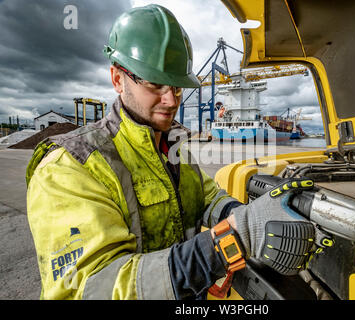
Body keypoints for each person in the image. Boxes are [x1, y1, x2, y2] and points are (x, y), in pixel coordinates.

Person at [26, 4, 317, 300]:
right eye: (155, 84)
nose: (171, 99)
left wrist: (242, 215)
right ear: (117, 79)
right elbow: (91, 290)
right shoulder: (69, 167)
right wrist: (226, 244)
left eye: (177, 87)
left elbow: (205, 196)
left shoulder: (171, 146)